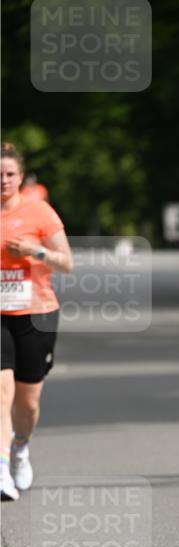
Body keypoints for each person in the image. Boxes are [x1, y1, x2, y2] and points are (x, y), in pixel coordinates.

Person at [1, 143, 73, 501]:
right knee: (1, 392)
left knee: (27, 401)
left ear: (20, 177)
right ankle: (1, 468)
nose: (3, 180)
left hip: (36, 312)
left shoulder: (39, 211)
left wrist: (34, 251)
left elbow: (65, 263)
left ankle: (20, 447)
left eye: (9, 174)